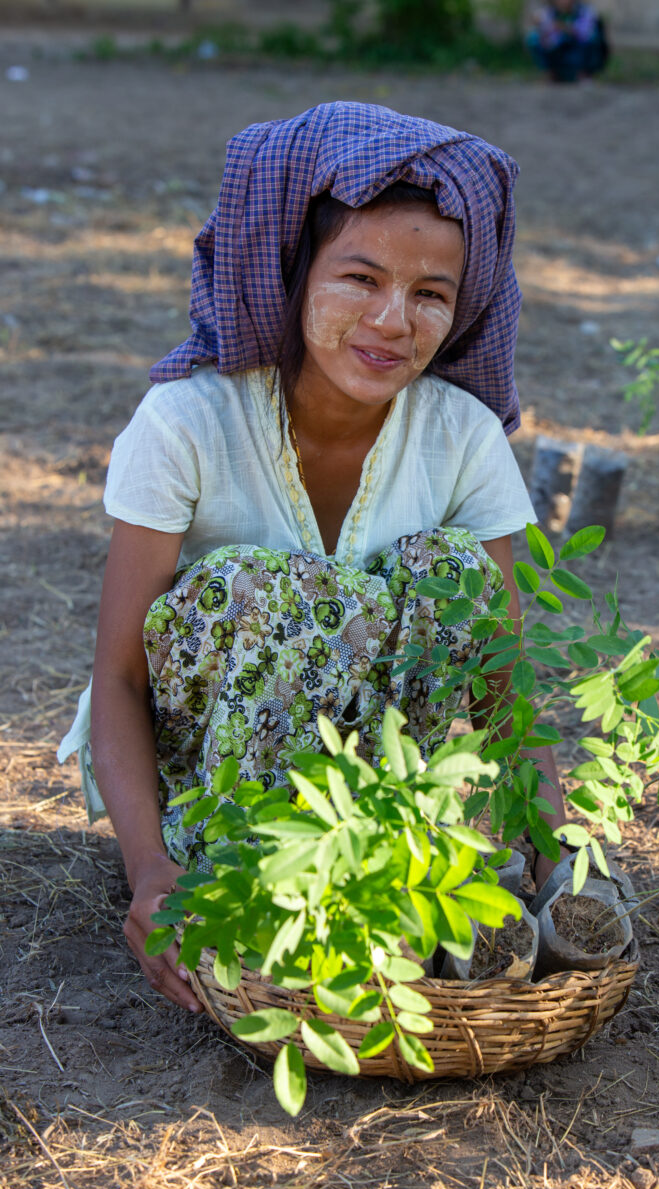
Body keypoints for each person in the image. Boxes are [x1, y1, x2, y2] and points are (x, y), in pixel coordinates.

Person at [58, 103, 568, 1013]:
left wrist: (556, 845)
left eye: (430, 294)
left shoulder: (462, 439)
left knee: (455, 576)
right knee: (261, 589)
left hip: (378, 804)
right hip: (214, 791)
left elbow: (502, 680)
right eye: (359, 277)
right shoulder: (187, 425)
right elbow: (120, 679)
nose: (390, 320)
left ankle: (373, 883)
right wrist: (147, 872)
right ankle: (237, 877)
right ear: (293, 273)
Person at [525, 0, 608, 83]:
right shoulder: (549, 12)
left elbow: (586, 32)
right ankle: (551, 74)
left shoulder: (584, 11)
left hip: (578, 49)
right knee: (533, 38)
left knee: (594, 37)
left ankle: (585, 73)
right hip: (558, 50)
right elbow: (544, 27)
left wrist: (565, 28)